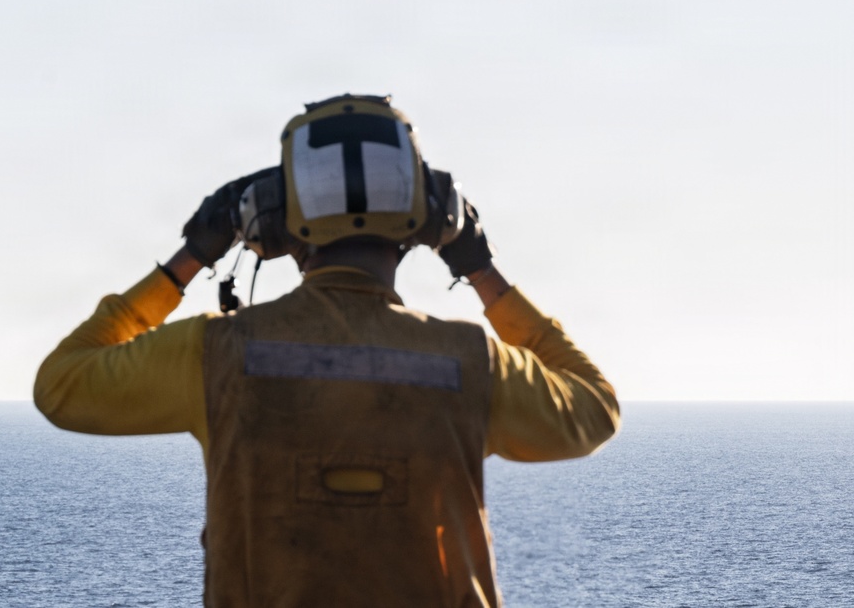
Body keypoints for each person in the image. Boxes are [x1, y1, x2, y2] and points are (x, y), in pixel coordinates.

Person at [34, 94, 619, 607]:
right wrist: (480, 269)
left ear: (270, 220)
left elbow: (61, 387)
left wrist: (191, 258)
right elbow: (595, 410)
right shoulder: (472, 361)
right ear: (431, 218)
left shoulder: (213, 353)